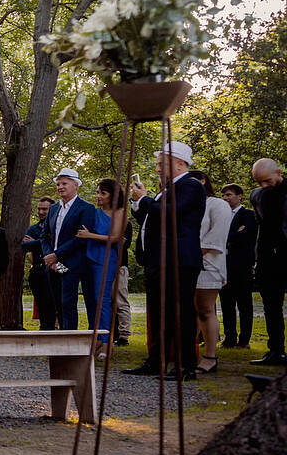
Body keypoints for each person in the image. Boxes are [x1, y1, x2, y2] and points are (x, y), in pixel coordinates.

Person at [125, 142, 205, 379]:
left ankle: (185, 365)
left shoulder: (191, 185)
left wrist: (145, 199)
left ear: (180, 163)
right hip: (158, 260)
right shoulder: (169, 189)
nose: (158, 169)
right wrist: (137, 201)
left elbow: (170, 213)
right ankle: (155, 361)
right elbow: (151, 216)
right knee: (160, 314)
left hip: (179, 260)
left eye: (163, 164)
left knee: (180, 314)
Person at [75, 179, 130, 351]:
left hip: (105, 260)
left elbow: (115, 238)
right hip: (88, 257)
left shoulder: (120, 213)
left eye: (102, 193)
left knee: (103, 300)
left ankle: (107, 342)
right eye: (97, 192)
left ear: (113, 196)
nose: (98, 196)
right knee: (92, 300)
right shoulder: (93, 212)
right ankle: (97, 337)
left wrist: (90, 235)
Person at [187, 171, 231, 374]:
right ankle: (189, 354)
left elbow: (216, 237)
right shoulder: (189, 206)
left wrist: (190, 253)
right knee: (190, 310)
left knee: (205, 309)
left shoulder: (217, 204)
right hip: (188, 263)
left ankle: (210, 357)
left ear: (203, 181)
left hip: (208, 263)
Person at [43, 169, 97, 332]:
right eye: (58, 184)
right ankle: (63, 335)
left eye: (64, 183)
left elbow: (81, 237)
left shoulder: (86, 208)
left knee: (69, 303)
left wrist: (56, 255)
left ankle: (71, 337)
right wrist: (49, 256)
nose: (60, 187)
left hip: (74, 263)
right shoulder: (53, 209)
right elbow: (44, 235)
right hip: (53, 264)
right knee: (58, 303)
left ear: (76, 185)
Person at [249, 159, 286, 365]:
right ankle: (276, 351)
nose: (263, 185)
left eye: (267, 180)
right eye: (259, 182)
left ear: (279, 173)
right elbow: (261, 224)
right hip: (267, 257)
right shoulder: (257, 195)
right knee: (271, 305)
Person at [221, 182, 258, 349]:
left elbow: (246, 236)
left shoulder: (249, 215)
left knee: (244, 304)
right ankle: (229, 338)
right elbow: (217, 236)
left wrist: (229, 237)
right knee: (226, 303)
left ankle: (244, 340)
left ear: (239, 196)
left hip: (242, 266)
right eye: (223, 195)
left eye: (229, 195)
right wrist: (234, 234)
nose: (225, 198)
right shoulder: (222, 215)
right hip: (224, 264)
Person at [22, 196, 59, 330]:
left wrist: (36, 242)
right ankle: (43, 329)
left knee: (53, 303)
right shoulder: (34, 228)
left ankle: (54, 329)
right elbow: (24, 245)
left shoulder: (57, 227)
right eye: (39, 209)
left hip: (52, 269)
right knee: (41, 303)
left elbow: (54, 244)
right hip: (36, 270)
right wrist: (42, 241)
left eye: (45, 209)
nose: (41, 212)